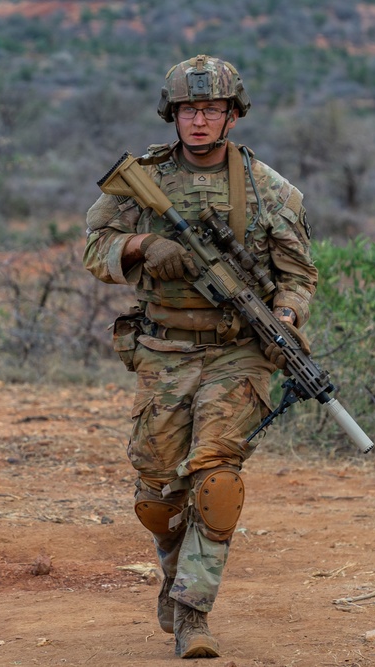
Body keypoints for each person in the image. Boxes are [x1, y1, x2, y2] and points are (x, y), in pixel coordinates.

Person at [82, 54, 318, 659]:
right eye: (190, 108)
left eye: (212, 109)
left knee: (215, 477)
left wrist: (286, 319)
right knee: (157, 493)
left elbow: (299, 277)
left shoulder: (270, 189)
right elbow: (94, 249)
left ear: (233, 116)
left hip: (240, 352)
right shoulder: (145, 179)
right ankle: (173, 567)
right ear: (173, 114)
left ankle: (193, 613)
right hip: (163, 349)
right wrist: (143, 244)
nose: (200, 119)